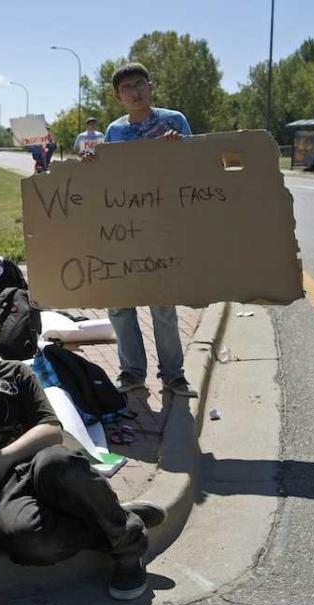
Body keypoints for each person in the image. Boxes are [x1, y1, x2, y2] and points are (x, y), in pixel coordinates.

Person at [0, 294, 166, 600]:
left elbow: (50, 429)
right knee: (25, 541)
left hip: (36, 466)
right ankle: (111, 521)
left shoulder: (15, 373)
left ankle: (127, 545)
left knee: (59, 463)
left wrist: (3, 457)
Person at [102, 62, 196, 397]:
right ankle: (132, 374)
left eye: (140, 84)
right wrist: (90, 166)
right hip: (123, 228)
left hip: (162, 226)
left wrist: (179, 149)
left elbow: (195, 170)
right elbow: (107, 179)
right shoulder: (114, 132)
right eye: (127, 88)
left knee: (162, 303)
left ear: (151, 86)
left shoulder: (175, 121)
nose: (135, 92)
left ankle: (173, 375)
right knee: (120, 304)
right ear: (118, 96)